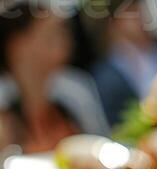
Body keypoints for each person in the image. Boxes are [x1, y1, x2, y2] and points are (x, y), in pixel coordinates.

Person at [0, 1, 107, 152]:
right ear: (17, 44)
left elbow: (99, 146)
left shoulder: (76, 91)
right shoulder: (4, 106)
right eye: (51, 33)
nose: (65, 40)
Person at [88, 0, 157, 126]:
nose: (139, 16)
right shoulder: (104, 78)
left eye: (140, 9)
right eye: (130, 12)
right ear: (113, 23)